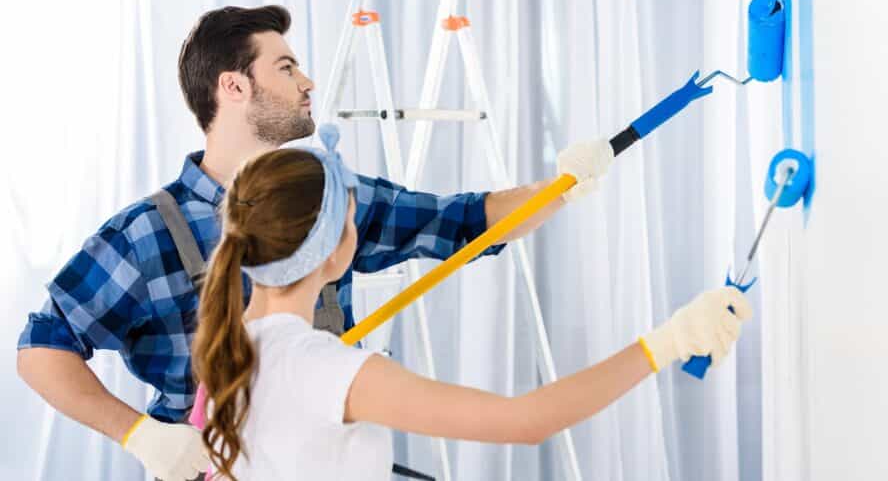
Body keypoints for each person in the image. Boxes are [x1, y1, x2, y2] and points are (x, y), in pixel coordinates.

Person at [16, 5, 615, 480]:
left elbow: (462, 222)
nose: (307, 82)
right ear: (233, 86)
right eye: (285, 67)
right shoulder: (145, 236)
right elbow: (43, 347)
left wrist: (562, 185)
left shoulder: (324, 201)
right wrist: (139, 434)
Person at [193, 125, 752, 480]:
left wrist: (554, 189)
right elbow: (526, 421)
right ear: (337, 248)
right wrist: (666, 343)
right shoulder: (327, 370)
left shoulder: (231, 349)